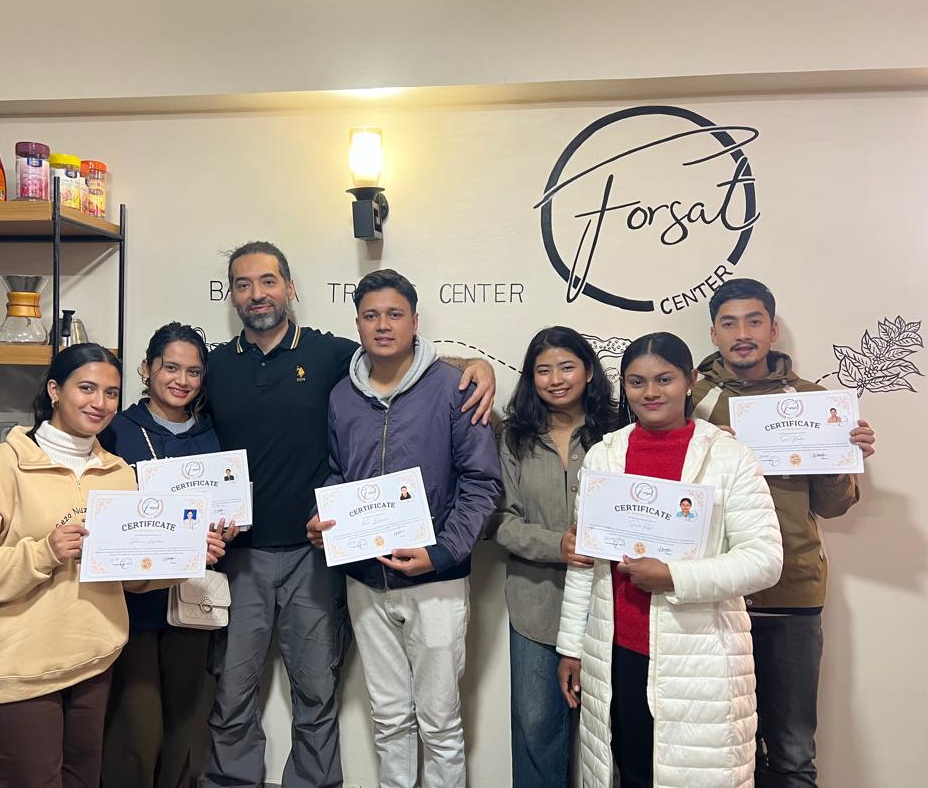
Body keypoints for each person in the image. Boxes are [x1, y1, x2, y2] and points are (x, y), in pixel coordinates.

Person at [200, 242, 496, 787]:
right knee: (238, 693)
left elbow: (475, 473)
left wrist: (477, 368)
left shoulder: (332, 357)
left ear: (290, 288)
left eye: (268, 281)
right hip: (266, 559)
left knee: (336, 696)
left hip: (351, 566)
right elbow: (338, 468)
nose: (257, 293)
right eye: (243, 284)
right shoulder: (221, 367)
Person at [0, 344, 227, 788]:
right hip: (16, 673)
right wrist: (43, 553)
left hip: (92, 666)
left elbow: (129, 575)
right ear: (54, 390)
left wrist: (185, 553)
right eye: (86, 388)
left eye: (111, 393)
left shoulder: (117, 473)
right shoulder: (3, 465)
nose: (99, 402)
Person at [557, 332, 784, 788]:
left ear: (690, 380)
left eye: (664, 379)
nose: (651, 393)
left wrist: (675, 577)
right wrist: (572, 647)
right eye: (637, 382)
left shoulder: (728, 456)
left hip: (698, 654)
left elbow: (764, 559)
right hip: (617, 652)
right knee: (632, 771)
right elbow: (585, 562)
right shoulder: (605, 455)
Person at [306, 269, 502, 788]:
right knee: (389, 717)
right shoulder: (341, 396)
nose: (383, 325)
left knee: (439, 723)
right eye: (371, 315)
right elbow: (338, 471)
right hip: (365, 581)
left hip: (436, 581)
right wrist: (327, 518)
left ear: (415, 321)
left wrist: (441, 553)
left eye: (394, 314)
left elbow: (482, 483)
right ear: (357, 324)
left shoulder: (455, 388)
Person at [692, 278, 876, 787]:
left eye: (754, 321)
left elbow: (833, 507)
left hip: (792, 593)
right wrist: (704, 449)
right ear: (713, 333)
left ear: (773, 330)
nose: (742, 334)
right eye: (729, 323)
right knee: (724, 753)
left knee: (793, 751)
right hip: (713, 593)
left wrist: (844, 458)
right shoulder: (689, 400)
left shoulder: (817, 402)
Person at [99, 323, 236, 788]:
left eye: (193, 371)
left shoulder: (212, 434)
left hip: (193, 600)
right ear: (147, 368)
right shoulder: (116, 431)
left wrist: (225, 530)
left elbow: (224, 508)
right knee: (137, 727)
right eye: (170, 367)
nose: (182, 380)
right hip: (132, 602)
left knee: (187, 721)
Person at [489, 326, 618, 788]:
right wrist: (556, 545)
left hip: (610, 605)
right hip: (536, 605)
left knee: (610, 733)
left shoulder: (618, 432)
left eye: (567, 367)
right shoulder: (513, 437)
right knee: (536, 728)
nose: (556, 379)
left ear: (589, 371)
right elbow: (499, 520)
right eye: (544, 370)